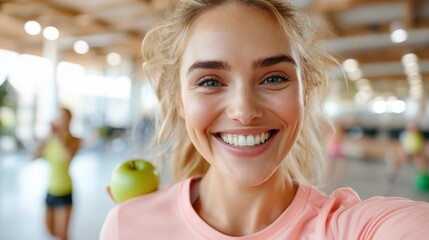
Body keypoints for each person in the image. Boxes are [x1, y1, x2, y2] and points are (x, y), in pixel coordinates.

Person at [101, 1, 429, 239]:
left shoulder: (349, 230)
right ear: (179, 101)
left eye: (273, 78)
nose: (244, 111)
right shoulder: (126, 226)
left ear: (307, 91)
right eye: (210, 81)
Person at [33, 107, 81, 240]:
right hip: (50, 190)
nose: (60, 120)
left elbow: (68, 157)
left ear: (69, 120)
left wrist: (59, 137)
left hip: (65, 190)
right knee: (49, 231)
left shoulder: (74, 139)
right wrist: (46, 140)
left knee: (63, 235)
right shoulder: (50, 139)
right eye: (59, 117)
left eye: (63, 117)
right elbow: (34, 156)